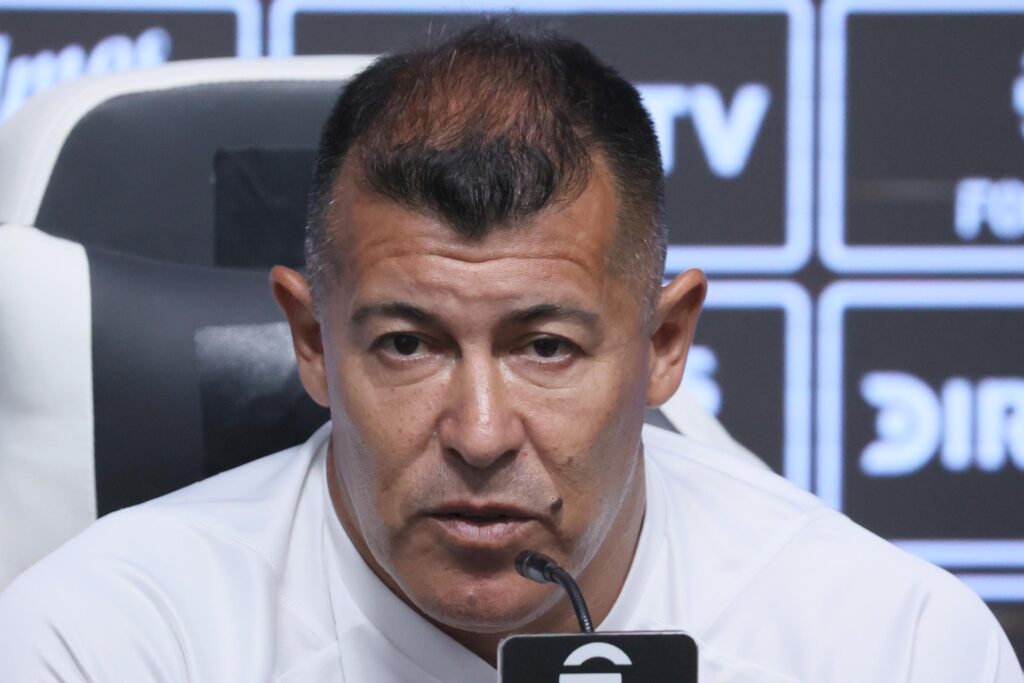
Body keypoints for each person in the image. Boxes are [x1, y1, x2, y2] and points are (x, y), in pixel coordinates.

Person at [0, 23, 1020, 682]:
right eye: (407, 343)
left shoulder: (894, 646)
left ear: (663, 343)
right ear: (312, 341)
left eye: (545, 345)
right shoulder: (96, 644)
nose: (480, 434)